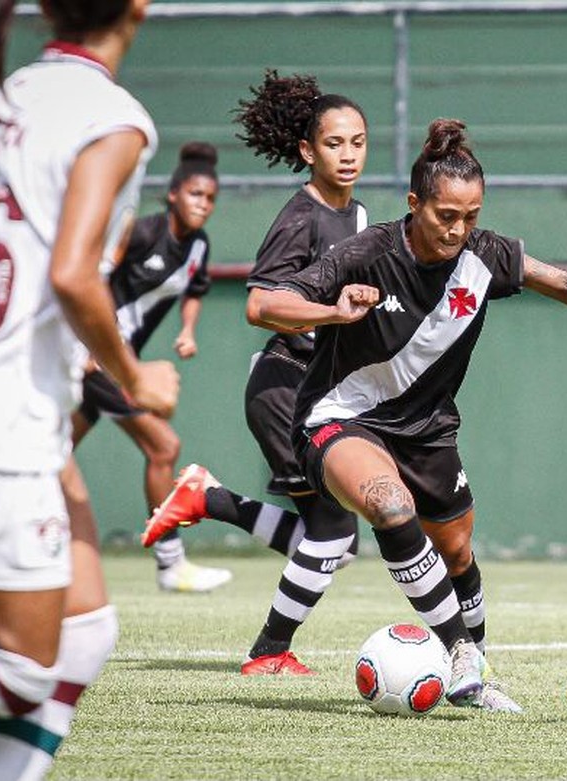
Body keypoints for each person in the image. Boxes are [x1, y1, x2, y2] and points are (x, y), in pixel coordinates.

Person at [246, 118, 567, 711]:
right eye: (446, 215)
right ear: (414, 203)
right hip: (340, 418)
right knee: (388, 504)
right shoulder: (366, 252)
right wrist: (334, 312)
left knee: (459, 552)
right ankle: (460, 652)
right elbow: (263, 304)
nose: (459, 229)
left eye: (470, 215)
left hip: (429, 432)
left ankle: (475, 670)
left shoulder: (488, 254)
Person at [0, 2, 178, 779]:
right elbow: (74, 275)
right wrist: (136, 376)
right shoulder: (112, 117)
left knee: (85, 633)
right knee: (21, 678)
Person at [142, 71, 370, 674]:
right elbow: (259, 304)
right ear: (306, 151)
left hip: (317, 390)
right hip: (282, 386)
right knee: (332, 535)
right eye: (333, 143)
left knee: (334, 542)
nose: (347, 155)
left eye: (357, 142)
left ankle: (208, 498)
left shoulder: (361, 215)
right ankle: (269, 652)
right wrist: (332, 313)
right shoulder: (302, 215)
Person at [61, 141, 232, 594]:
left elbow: (194, 288)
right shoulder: (140, 232)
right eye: (196, 194)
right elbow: (92, 276)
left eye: (211, 198)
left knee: (53, 450)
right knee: (163, 446)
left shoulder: (198, 245)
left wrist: (188, 329)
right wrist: (90, 342)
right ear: (174, 194)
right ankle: (170, 562)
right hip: (95, 356)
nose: (204, 204)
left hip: (118, 361)